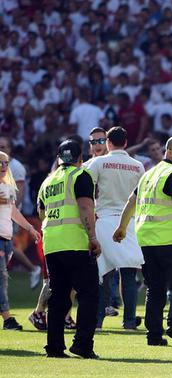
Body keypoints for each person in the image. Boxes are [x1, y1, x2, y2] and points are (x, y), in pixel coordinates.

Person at [113, 136, 172, 347]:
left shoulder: (149, 175)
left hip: (148, 240)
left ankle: (154, 335)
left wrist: (121, 227)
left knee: (155, 288)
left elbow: (132, 200)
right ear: (169, 152)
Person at [37, 140, 101, 358]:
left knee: (58, 297)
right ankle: (82, 344)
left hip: (52, 244)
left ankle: (54, 347)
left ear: (58, 158)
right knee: (89, 294)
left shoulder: (48, 181)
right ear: (80, 157)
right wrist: (92, 236)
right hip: (75, 243)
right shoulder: (80, 176)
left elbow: (41, 214)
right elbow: (85, 206)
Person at [85, 127, 144, 330]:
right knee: (129, 274)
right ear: (126, 142)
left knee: (102, 274)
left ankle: (98, 321)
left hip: (104, 221)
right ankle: (129, 321)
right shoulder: (138, 166)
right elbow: (141, 197)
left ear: (108, 142)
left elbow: (85, 187)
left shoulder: (98, 162)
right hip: (129, 222)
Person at [1, 151, 41, 330]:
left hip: (7, 238)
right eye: (0, 163)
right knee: (2, 280)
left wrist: (30, 228)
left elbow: (13, 212)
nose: (3, 167)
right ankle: (8, 319)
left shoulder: (8, 187)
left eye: (5, 163)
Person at [0, 136, 41, 289]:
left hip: (9, 214)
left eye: (4, 147)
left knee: (7, 245)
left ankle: (32, 269)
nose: (1, 149)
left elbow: (20, 192)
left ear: (10, 149)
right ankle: (32, 269)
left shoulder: (16, 167)